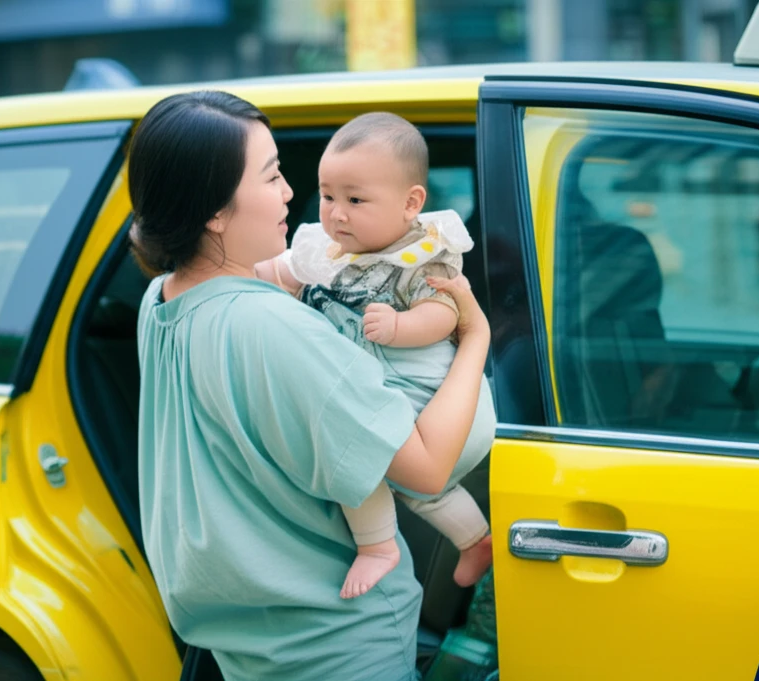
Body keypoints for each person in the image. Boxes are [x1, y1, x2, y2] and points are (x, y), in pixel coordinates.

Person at [130, 90, 492, 681]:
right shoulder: (278, 328)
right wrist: (474, 337)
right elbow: (425, 470)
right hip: (336, 644)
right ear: (215, 212)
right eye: (272, 176)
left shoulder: (160, 301)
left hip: (242, 645)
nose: (290, 194)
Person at [255, 112, 495, 600]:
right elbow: (275, 272)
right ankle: (475, 540)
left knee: (350, 461)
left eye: (355, 199)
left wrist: (401, 326)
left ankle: (378, 547)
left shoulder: (423, 253)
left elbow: (447, 313)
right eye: (327, 196)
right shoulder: (326, 250)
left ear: (411, 204)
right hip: (406, 417)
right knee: (423, 491)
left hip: (430, 401)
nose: (336, 213)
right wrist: (237, 273)